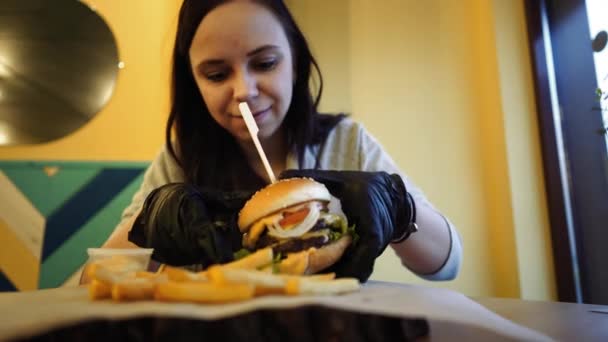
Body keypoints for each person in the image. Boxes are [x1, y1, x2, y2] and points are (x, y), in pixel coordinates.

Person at [99, 0, 461, 283]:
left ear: (296, 62)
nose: (243, 91)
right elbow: (95, 279)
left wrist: (398, 208)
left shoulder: (346, 142)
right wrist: (152, 227)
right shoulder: (180, 158)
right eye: (216, 74)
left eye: (265, 63)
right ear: (194, 83)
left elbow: (447, 263)